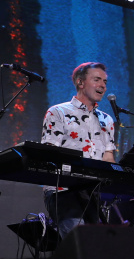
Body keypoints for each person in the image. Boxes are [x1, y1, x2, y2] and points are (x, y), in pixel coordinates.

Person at [40, 62, 117, 237]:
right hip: (63, 190)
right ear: (80, 82)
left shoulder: (107, 120)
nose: (103, 86)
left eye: (105, 81)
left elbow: (108, 157)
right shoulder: (58, 112)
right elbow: (49, 152)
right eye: (97, 80)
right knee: (78, 241)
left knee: (94, 245)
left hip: (92, 193)